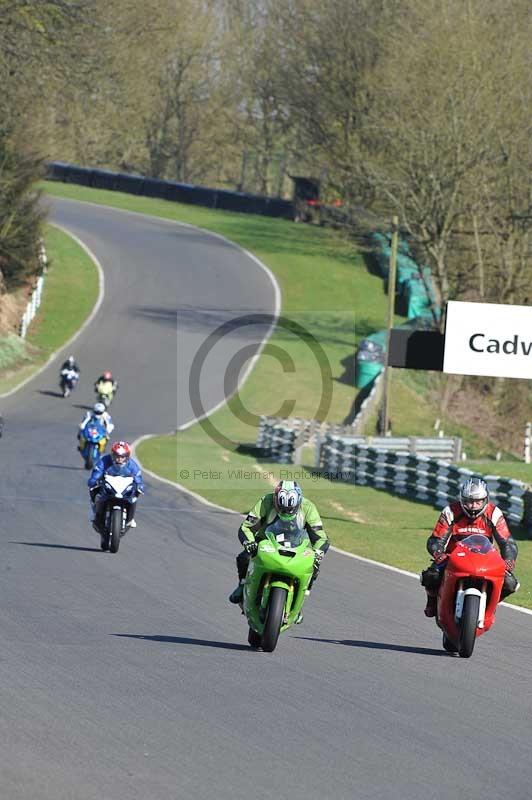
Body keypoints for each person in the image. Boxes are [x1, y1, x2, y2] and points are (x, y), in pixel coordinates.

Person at [421, 477, 519, 617]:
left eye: (478, 502)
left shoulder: (494, 513)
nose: (473, 506)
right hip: (453, 558)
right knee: (431, 576)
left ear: (485, 500)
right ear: (462, 500)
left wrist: (509, 560)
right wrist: (439, 554)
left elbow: (507, 542)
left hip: (485, 559)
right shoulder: (450, 511)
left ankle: (489, 605)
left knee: (510, 584)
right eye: (469, 501)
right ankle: (432, 602)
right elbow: (436, 539)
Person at [229, 480, 329, 615]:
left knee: (313, 567)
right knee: (244, 558)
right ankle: (242, 584)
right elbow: (246, 527)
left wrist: (317, 555)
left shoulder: (308, 507)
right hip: (266, 540)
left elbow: (321, 538)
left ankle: (299, 602)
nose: (286, 513)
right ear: (276, 500)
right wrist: (249, 543)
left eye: (290, 509)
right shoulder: (266, 501)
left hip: (296, 544)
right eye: (281, 508)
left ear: (298, 502)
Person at [87, 441, 144, 544]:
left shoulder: (132, 464)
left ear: (127, 456)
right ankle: (95, 511)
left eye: (122, 456)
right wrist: (94, 480)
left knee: (135, 496)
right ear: (112, 454)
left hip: (123, 488)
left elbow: (138, 476)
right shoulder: (105, 460)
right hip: (108, 485)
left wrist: (140, 485)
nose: (120, 459)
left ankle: (130, 519)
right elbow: (97, 471)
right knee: (94, 489)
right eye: (117, 456)